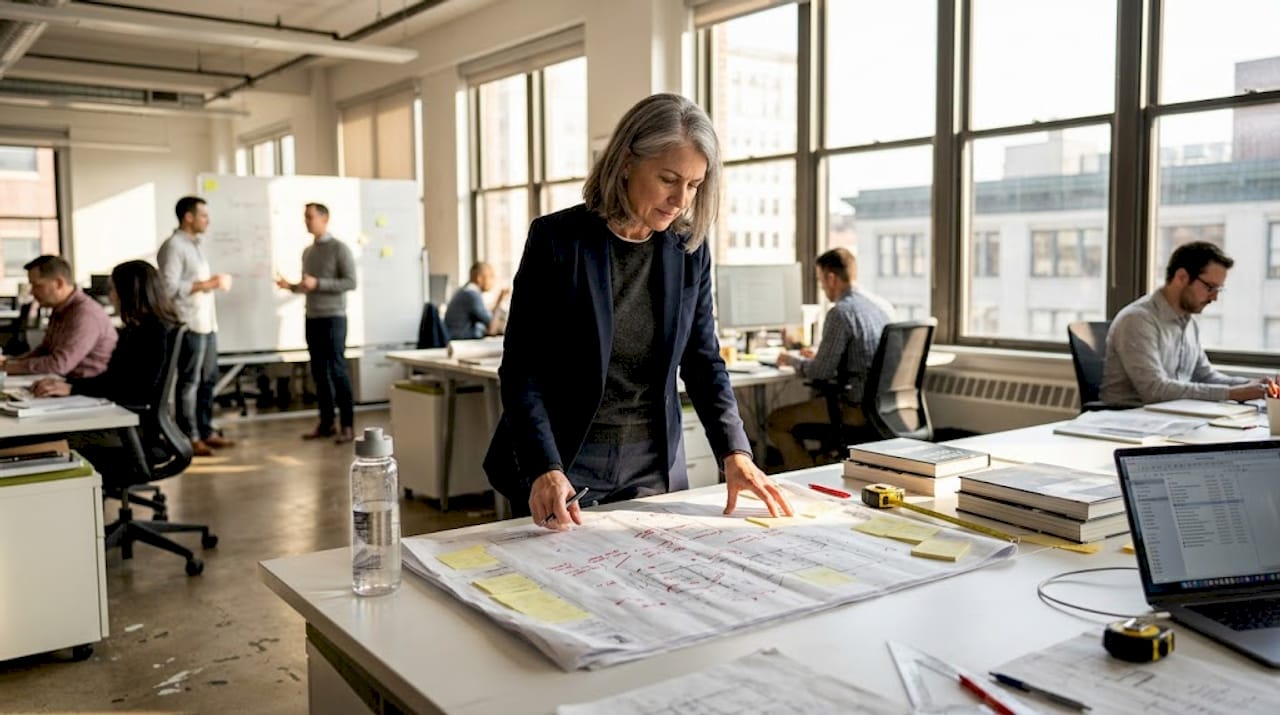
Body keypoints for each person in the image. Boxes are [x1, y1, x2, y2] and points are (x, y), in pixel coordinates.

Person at [483, 93, 793, 530]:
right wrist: (543, 467)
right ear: (627, 162)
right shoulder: (558, 241)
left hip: (652, 463)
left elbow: (702, 361)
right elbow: (522, 370)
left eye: (694, 185)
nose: (680, 199)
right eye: (668, 179)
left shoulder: (688, 250)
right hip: (566, 459)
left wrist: (735, 452)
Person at [32, 261, 181, 472]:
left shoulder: (150, 334)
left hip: (132, 432)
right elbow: (113, 380)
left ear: (129, 292)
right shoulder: (142, 329)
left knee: (48, 440)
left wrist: (73, 389)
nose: (111, 296)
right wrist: (67, 384)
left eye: (113, 290)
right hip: (129, 424)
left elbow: (135, 390)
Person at [1101, 241, 1276, 404]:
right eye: (1210, 288)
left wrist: (1252, 385)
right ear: (1182, 277)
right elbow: (1154, 390)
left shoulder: (1188, 323)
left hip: (1172, 415)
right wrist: (1232, 393)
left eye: (1218, 290)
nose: (1214, 298)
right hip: (1131, 417)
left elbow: (1205, 376)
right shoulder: (1138, 320)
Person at [767, 248, 892, 470]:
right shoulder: (882, 307)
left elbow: (820, 372)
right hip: (886, 408)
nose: (822, 287)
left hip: (855, 410)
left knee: (775, 421)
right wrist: (821, 355)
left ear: (831, 278)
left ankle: (803, 478)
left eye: (820, 281)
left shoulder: (841, 312)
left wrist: (790, 360)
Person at [158, 196, 234, 457]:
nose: (207, 220)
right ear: (188, 217)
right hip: (188, 324)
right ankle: (189, 437)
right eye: (203, 215)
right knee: (189, 383)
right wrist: (208, 284)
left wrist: (208, 284)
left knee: (208, 380)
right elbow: (168, 288)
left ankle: (205, 431)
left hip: (206, 323)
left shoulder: (195, 245)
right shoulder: (174, 247)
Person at [275, 203, 358, 443]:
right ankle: (326, 423)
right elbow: (306, 286)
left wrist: (319, 284)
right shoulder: (308, 252)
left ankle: (347, 425)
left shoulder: (339, 249)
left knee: (337, 371)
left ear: (325, 218)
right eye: (305, 217)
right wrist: (290, 286)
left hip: (334, 318)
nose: (307, 221)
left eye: (310, 217)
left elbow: (350, 282)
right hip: (312, 317)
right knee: (319, 373)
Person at [0, 255, 116, 378]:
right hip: (64, 383)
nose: (32, 292)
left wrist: (7, 367)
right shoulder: (60, 309)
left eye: (37, 286)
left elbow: (59, 364)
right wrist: (9, 361)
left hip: (86, 390)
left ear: (59, 283)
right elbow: (44, 351)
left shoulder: (85, 314)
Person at [444, 262, 509, 340]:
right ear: (479, 278)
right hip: (461, 342)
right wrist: (500, 301)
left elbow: (488, 319)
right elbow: (492, 329)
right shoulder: (471, 295)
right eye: (491, 276)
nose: (493, 280)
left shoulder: (465, 291)